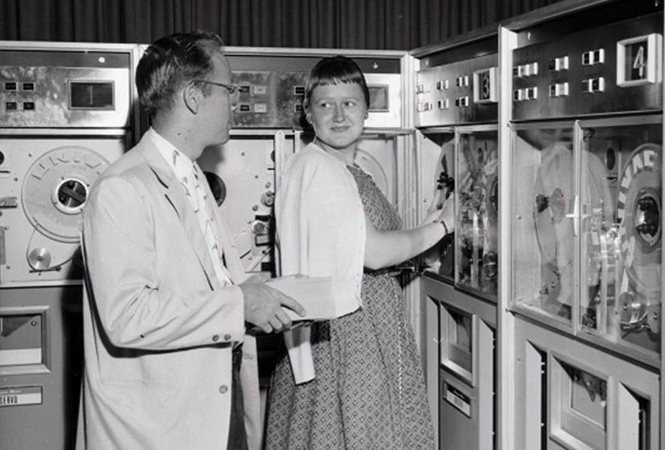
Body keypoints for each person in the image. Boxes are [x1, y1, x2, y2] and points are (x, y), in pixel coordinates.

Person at [76, 31, 304, 450]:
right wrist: (241, 303)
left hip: (216, 399)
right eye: (228, 89)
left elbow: (202, 281)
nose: (234, 101)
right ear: (195, 97)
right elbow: (127, 316)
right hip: (161, 426)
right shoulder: (122, 189)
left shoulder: (191, 175)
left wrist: (260, 292)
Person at [265, 56, 454, 449]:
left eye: (349, 103)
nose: (338, 115)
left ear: (367, 109)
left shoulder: (336, 168)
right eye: (325, 104)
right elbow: (375, 253)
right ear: (308, 114)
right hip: (352, 337)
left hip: (351, 331)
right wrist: (444, 224)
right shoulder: (322, 169)